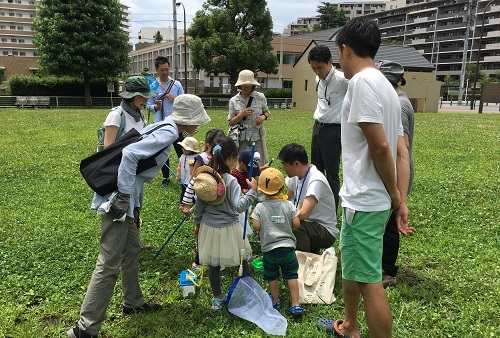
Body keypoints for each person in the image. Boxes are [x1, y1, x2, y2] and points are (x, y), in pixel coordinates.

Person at [67, 94, 211, 338]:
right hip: (117, 201)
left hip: (127, 202)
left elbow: (138, 172)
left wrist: (135, 207)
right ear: (186, 119)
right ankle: (84, 329)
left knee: (132, 248)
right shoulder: (167, 133)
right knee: (108, 262)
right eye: (196, 119)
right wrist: (124, 198)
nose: (198, 125)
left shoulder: (164, 127)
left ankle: (132, 303)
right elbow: (131, 155)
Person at [316, 18, 411, 338]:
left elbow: (382, 147)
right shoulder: (387, 86)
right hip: (363, 199)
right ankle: (350, 325)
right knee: (350, 261)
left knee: (370, 281)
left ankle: (359, 331)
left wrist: (396, 198)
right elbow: (402, 152)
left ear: (344, 49)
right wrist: (399, 198)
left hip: (366, 201)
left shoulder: (361, 83)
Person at [192, 136, 258, 310]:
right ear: (231, 158)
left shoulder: (206, 179)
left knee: (213, 264)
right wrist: (252, 192)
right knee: (242, 260)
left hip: (209, 227)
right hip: (229, 228)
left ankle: (217, 298)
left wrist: (197, 224)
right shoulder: (231, 181)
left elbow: (198, 205)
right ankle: (251, 293)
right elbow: (238, 207)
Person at [376, 60, 415, 288]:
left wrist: (401, 195)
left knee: (390, 222)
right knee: (385, 221)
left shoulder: (399, 106)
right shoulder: (399, 100)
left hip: (397, 171)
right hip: (393, 169)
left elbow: (403, 148)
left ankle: (388, 271)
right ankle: (382, 265)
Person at [251, 168, 303, 317]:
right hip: (288, 249)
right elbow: (297, 223)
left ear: (262, 190)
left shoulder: (260, 207)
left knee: (272, 276)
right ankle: (295, 304)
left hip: (270, 250)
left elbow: (256, 225)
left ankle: (275, 300)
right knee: (292, 275)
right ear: (282, 188)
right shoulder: (288, 205)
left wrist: (259, 228)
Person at [308, 45, 349, 210]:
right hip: (317, 127)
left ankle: (332, 211)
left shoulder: (342, 80)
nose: (317, 71)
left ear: (331, 62)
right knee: (315, 171)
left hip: (334, 131)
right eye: (313, 68)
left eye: (320, 67)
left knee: (332, 174)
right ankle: (317, 207)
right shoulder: (317, 79)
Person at [277, 143, 338, 254]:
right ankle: (310, 251)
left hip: (325, 231)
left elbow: (303, 214)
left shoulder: (315, 180)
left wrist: (278, 219)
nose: (283, 168)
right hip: (310, 225)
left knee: (296, 225)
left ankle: (304, 260)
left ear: (296, 164)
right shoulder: (295, 176)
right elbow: (287, 200)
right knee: (292, 223)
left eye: (284, 164)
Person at [146, 56, 185, 186]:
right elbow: (147, 105)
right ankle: (165, 178)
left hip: (176, 123)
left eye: (167, 69)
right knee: (163, 152)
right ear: (157, 69)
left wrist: (174, 98)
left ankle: (185, 175)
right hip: (160, 124)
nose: (165, 72)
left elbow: (184, 102)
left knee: (181, 150)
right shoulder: (152, 86)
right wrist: (156, 106)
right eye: (162, 70)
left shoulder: (176, 84)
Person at [228, 69, 271, 164]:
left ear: (253, 85)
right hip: (241, 139)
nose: (246, 87)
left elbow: (267, 111)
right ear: (240, 85)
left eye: (248, 85)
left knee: (258, 163)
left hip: (257, 136)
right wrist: (241, 115)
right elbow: (230, 121)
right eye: (244, 85)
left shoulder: (260, 97)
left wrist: (263, 117)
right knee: (242, 164)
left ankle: (256, 179)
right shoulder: (234, 100)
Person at [176, 136, 200, 203]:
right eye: (183, 148)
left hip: (191, 180)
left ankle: (193, 202)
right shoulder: (183, 156)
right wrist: (178, 174)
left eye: (185, 149)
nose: (183, 150)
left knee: (192, 192)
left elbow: (197, 169)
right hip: (184, 179)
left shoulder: (196, 157)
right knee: (183, 191)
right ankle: (182, 203)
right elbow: (180, 165)